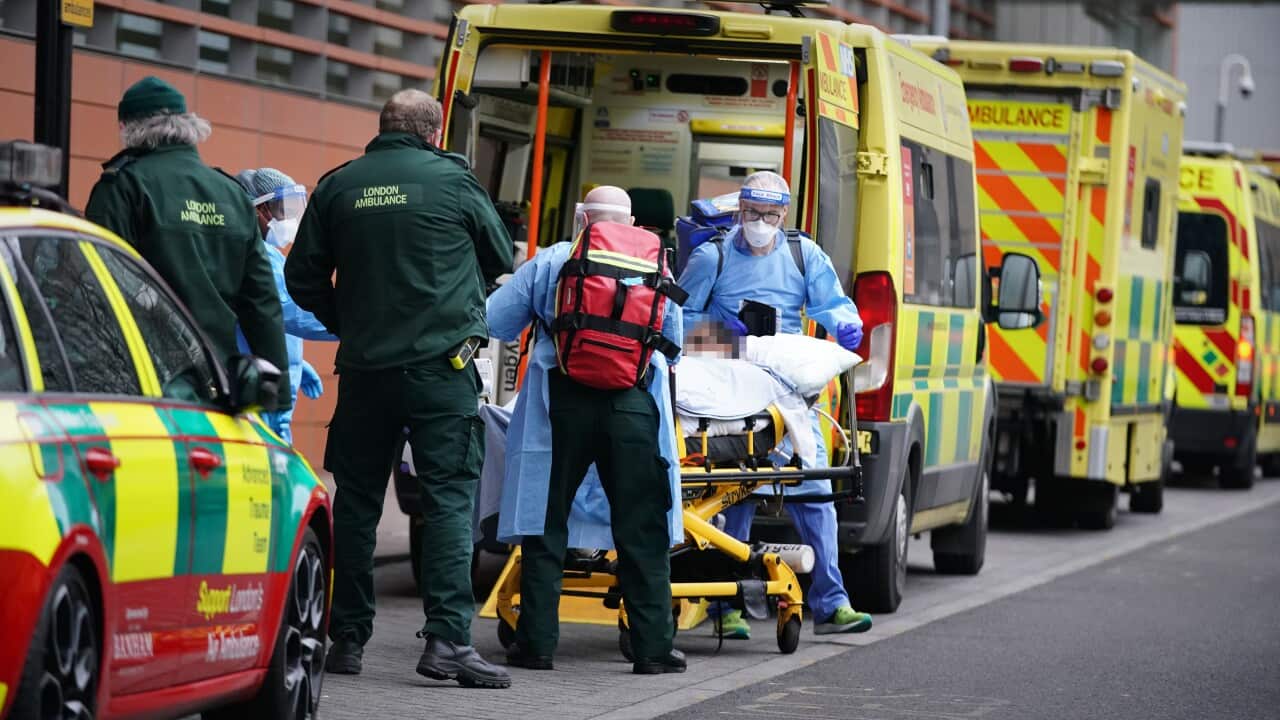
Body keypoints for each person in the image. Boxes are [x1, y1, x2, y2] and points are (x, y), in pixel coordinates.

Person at [284, 89, 513, 688]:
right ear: (435, 133)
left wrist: (351, 323)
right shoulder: (455, 183)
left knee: (356, 504)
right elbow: (497, 256)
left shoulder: (340, 184)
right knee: (448, 502)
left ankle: (347, 640)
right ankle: (446, 643)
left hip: (365, 373)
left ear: (383, 126)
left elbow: (301, 276)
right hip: (444, 374)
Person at [487, 186, 687, 674]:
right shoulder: (655, 264)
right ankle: (653, 649)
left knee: (546, 523)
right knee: (641, 528)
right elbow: (674, 342)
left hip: (562, 405)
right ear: (632, 221)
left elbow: (495, 319)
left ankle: (536, 644)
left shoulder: (552, 260)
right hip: (632, 407)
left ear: (581, 218)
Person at [677, 171, 873, 637]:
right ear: (738, 210)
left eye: (769, 215)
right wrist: (725, 333)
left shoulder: (804, 256)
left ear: (784, 214)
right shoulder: (714, 257)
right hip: (730, 388)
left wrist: (847, 325)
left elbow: (835, 305)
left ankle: (831, 604)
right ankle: (729, 608)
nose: (760, 222)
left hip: (788, 392)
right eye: (751, 214)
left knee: (815, 494)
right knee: (734, 494)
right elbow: (676, 321)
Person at [86, 76, 290, 405]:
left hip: (144, 386)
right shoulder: (231, 194)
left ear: (128, 127)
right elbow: (261, 301)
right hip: (221, 388)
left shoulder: (123, 187)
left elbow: (97, 287)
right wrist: (275, 390)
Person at [234, 167, 338, 444]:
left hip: (272, 381)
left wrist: (296, 362)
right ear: (257, 210)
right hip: (259, 390)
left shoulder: (271, 256)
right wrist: (355, 321)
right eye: (281, 209)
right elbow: (293, 311)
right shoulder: (256, 258)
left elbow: (267, 324)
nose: (289, 219)